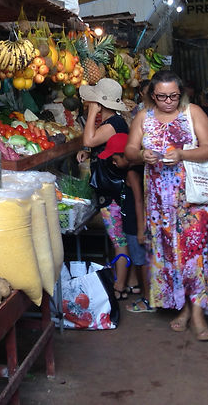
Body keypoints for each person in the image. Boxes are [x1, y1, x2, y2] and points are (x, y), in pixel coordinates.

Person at [124, 69, 208, 341]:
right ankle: (184, 309)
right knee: (172, 255)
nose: (168, 101)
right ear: (152, 96)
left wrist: (182, 154)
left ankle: (198, 314)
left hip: (193, 199)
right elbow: (129, 151)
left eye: (173, 96)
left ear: (181, 94)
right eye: (162, 96)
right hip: (159, 204)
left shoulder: (193, 113)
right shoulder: (144, 117)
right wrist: (142, 154)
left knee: (196, 255)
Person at [76, 78, 134, 299]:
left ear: (101, 102)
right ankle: (131, 282)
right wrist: (89, 155)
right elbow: (103, 149)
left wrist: (92, 112)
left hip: (112, 195)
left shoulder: (112, 125)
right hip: (114, 191)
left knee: (118, 240)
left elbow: (89, 139)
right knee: (119, 239)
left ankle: (119, 287)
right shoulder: (115, 123)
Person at [98, 132, 150, 311]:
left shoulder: (132, 174)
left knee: (141, 261)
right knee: (138, 260)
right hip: (132, 224)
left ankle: (147, 298)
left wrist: (141, 229)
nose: (113, 162)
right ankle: (141, 291)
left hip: (135, 226)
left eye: (115, 158)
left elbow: (139, 201)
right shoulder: (134, 170)